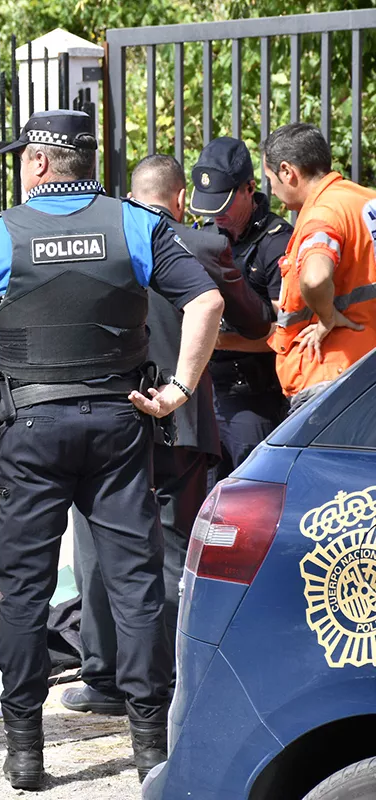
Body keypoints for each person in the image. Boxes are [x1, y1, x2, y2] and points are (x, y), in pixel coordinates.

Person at [0, 110, 223, 789]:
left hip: (32, 427)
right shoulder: (134, 223)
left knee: (24, 590)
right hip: (119, 421)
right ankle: (148, 750)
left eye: (24, 156)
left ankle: (25, 753)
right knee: (136, 585)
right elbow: (206, 303)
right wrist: (178, 390)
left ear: (41, 163)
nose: (20, 166)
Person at [64, 154, 272, 718]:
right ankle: (174, 677)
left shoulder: (95, 239)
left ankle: (103, 678)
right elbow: (255, 321)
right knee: (173, 550)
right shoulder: (202, 247)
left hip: (107, 417)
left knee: (96, 551)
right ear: (180, 199)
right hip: (178, 421)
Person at [189, 137, 292, 479]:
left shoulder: (277, 241)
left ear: (249, 188)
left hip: (254, 398)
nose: (215, 215)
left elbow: (287, 335)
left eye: (223, 204)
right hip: (204, 396)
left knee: (251, 497)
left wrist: (218, 341)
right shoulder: (203, 236)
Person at [263, 123, 376, 409]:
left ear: (288, 172)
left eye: (269, 178)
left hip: (331, 379)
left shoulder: (322, 214)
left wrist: (326, 318)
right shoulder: (366, 200)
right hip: (366, 369)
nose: (271, 189)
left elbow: (314, 278)